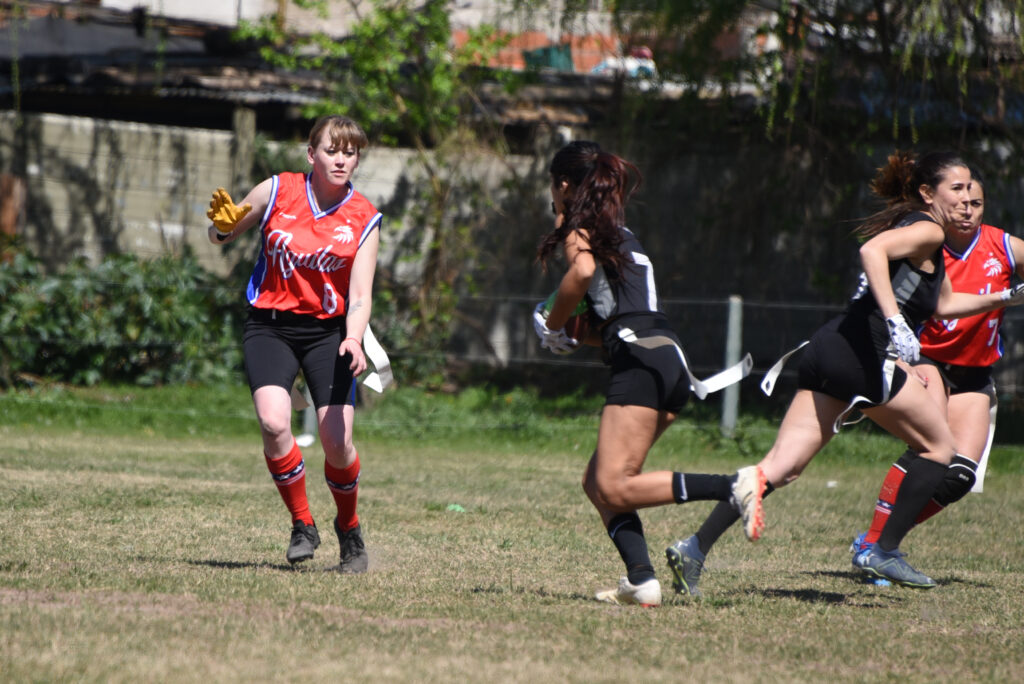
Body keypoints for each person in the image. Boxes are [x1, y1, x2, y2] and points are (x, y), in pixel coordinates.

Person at [658, 151, 1024, 592]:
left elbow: (945, 303)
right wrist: (894, 320)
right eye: (957, 189)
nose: (967, 199)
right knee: (939, 449)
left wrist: (1004, 298)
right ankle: (881, 551)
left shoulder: (925, 234)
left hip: (829, 348)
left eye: (971, 191)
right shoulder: (927, 229)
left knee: (781, 467)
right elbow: (871, 251)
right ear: (928, 193)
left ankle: (694, 548)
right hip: (863, 356)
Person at [533, 140, 751, 607]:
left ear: (564, 186)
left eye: (552, 186)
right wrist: (574, 336)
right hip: (667, 358)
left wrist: (552, 326)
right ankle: (641, 579)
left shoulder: (582, 232)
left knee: (614, 485)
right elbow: (619, 318)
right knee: (598, 482)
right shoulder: (620, 234)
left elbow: (580, 273)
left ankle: (733, 487)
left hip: (639, 362)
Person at [206, 114, 381, 573]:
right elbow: (221, 234)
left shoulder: (364, 216)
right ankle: (303, 524)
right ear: (311, 154)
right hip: (270, 325)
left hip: (329, 333)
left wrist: (354, 339)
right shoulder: (277, 190)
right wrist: (222, 227)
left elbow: (360, 296)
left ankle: (349, 529)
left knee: (337, 443)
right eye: (331, 150)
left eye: (350, 152)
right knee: (273, 422)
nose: (341, 159)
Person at [849, 172, 1024, 559]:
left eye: (976, 203)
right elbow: (877, 279)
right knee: (926, 451)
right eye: (961, 201)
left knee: (959, 476)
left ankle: (880, 540)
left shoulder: (1003, 246)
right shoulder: (928, 240)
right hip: (928, 360)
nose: (968, 210)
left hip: (974, 373)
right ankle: (875, 545)